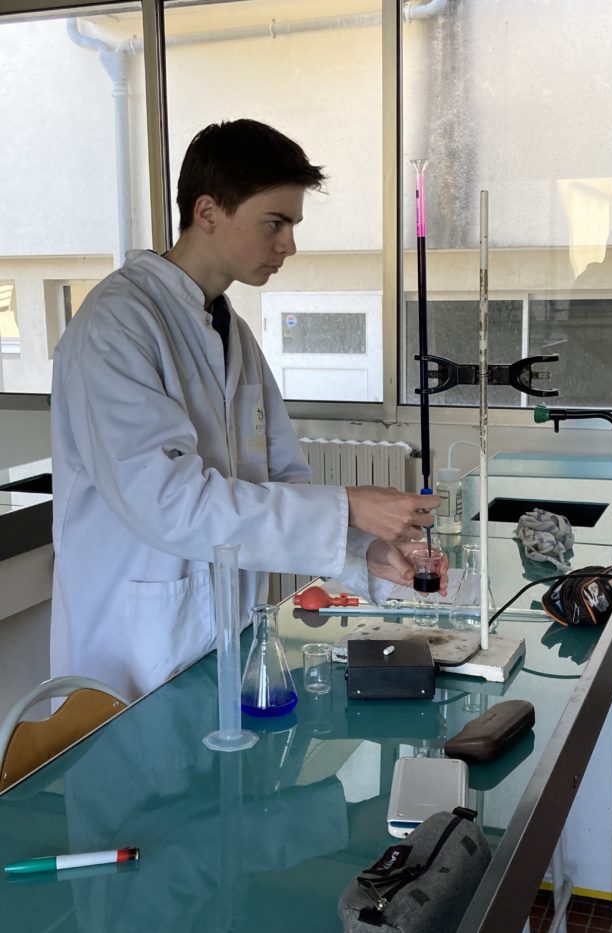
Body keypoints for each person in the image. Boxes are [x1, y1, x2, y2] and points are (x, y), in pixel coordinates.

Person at [50, 119, 441, 702]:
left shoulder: (228, 330)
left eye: (293, 225)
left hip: (222, 636)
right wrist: (350, 506)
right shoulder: (116, 325)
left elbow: (277, 482)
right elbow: (170, 504)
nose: (289, 245)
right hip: (136, 643)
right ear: (208, 211)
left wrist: (365, 551)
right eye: (274, 222)